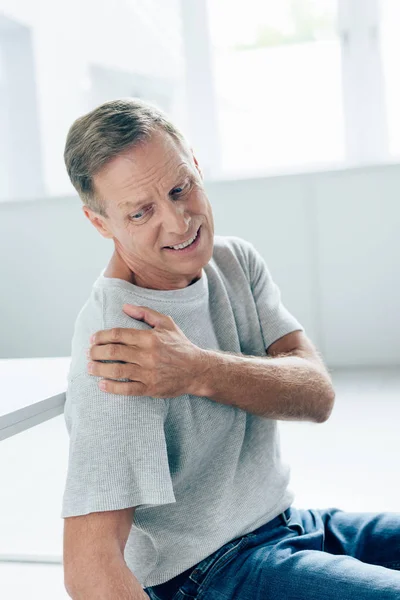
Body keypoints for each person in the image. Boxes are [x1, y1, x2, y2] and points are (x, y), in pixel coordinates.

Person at [61, 98, 400, 600]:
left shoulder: (234, 262)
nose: (179, 223)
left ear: (196, 165)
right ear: (100, 223)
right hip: (205, 573)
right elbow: (90, 566)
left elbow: (317, 395)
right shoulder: (120, 344)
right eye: (141, 211)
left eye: (181, 189)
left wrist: (198, 369)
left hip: (285, 523)